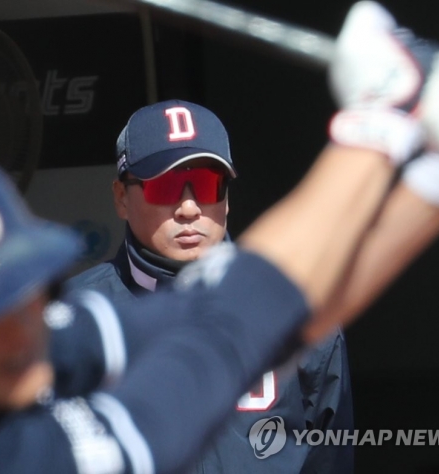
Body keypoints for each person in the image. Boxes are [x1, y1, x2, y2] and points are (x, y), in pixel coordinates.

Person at [0, 2, 439, 473]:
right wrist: (377, 126)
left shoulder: (3, 352)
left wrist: (438, 180)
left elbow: (244, 308)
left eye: (20, 292)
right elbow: (219, 345)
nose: (23, 328)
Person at [66, 97, 354, 474]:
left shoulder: (293, 308)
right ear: (122, 197)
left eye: (205, 184)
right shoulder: (70, 317)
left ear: (227, 197)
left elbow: (329, 459)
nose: (189, 209)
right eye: (165, 186)